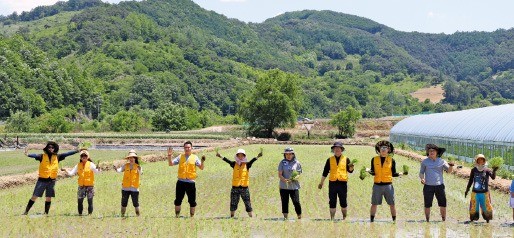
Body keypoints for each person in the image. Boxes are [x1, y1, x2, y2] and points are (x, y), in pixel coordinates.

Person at [23, 141, 79, 215]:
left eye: (52, 147)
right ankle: (26, 212)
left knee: (48, 197)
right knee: (34, 196)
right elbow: (35, 155)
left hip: (51, 181)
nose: (51, 149)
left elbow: (67, 154)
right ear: (46, 148)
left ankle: (46, 213)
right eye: (49, 147)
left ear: (54, 149)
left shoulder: (58, 157)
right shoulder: (42, 156)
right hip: (42, 180)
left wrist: (77, 151)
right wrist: (27, 154)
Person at [216, 148, 262, 217]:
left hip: (244, 188)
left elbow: (253, 160)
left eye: (242, 155)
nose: (240, 157)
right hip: (235, 187)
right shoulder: (234, 164)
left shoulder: (247, 165)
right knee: (233, 203)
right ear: (237, 156)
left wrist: (258, 156)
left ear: (244, 156)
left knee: (247, 203)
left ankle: (251, 216)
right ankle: (231, 216)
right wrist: (220, 156)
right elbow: (227, 160)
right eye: (239, 155)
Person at [167, 141, 205, 217]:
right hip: (180, 182)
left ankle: (192, 217)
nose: (187, 149)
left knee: (192, 201)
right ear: (184, 148)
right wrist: (169, 156)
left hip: (191, 182)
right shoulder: (180, 157)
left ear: (191, 148)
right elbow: (170, 164)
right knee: (178, 200)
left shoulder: (195, 157)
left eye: (188, 147)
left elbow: (201, 168)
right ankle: (177, 216)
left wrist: (202, 161)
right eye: (185, 147)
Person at [318, 141, 354, 220]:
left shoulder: (347, 159)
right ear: (333, 150)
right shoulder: (329, 160)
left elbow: (351, 171)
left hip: (342, 184)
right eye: (335, 148)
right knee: (332, 201)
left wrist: (351, 168)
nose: (337, 149)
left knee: (343, 201)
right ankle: (332, 218)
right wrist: (321, 183)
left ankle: (344, 217)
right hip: (332, 183)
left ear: (341, 149)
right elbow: (325, 172)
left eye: (339, 148)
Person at [368, 140, 402, 222]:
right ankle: (371, 220)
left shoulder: (391, 160)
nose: (383, 149)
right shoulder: (374, 159)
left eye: (385, 148)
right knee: (374, 204)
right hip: (377, 185)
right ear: (379, 149)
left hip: (388, 186)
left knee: (392, 204)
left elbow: (393, 173)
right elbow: (373, 172)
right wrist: (368, 171)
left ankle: (394, 220)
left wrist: (400, 174)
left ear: (388, 150)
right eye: (381, 148)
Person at [419, 144, 454, 222]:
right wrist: (422, 178)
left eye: (433, 151)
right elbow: (421, 173)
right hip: (428, 186)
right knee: (427, 204)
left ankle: (443, 219)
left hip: (439, 186)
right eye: (430, 151)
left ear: (437, 152)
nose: (431, 152)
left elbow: (449, 171)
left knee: (443, 203)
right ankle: (427, 220)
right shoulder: (425, 162)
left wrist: (451, 166)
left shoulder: (441, 161)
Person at [62, 149, 100, 215]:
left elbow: (98, 172)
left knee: (90, 200)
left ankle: (90, 214)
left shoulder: (91, 164)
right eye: (82, 156)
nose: (84, 157)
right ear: (80, 157)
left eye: (85, 156)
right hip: (81, 186)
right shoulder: (78, 165)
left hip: (90, 186)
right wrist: (66, 170)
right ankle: (80, 214)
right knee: (80, 201)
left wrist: (98, 168)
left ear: (88, 157)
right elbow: (71, 173)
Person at [464, 154, 497, 223]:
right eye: (479, 160)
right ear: (477, 161)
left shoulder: (487, 170)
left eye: (482, 159)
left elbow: (493, 177)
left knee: (486, 207)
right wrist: (467, 190)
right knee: (473, 207)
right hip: (475, 192)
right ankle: (472, 219)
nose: (480, 161)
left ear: (484, 161)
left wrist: (494, 171)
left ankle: (487, 219)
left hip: (484, 193)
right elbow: (470, 181)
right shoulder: (474, 170)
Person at [114, 149, 142, 217]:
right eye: (130, 158)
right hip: (125, 188)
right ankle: (122, 215)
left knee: (135, 203)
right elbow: (119, 170)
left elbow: (141, 173)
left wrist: (139, 170)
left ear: (135, 158)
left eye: (133, 157)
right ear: (128, 158)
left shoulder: (138, 166)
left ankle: (138, 215)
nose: (131, 159)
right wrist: (115, 168)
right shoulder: (125, 166)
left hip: (134, 188)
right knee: (124, 203)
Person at [278, 147, 302, 220]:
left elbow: (299, 173)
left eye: (290, 154)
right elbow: (279, 174)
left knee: (296, 202)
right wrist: (284, 180)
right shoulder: (282, 162)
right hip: (283, 187)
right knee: (284, 203)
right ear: (284, 155)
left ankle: (299, 217)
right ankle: (285, 218)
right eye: (286, 154)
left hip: (294, 186)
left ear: (293, 154)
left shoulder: (297, 163)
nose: (288, 155)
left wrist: (294, 178)